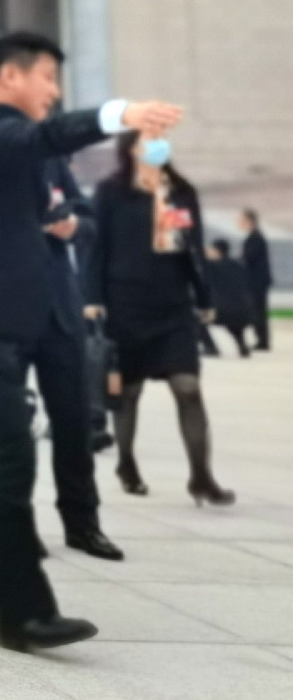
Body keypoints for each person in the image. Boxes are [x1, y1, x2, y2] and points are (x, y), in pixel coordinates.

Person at [0, 30, 180, 652]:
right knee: (9, 458)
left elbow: (50, 192)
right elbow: (44, 137)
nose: (54, 93)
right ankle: (25, 615)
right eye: (48, 78)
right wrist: (121, 114)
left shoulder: (9, 148)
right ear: (10, 76)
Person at [86, 132, 234, 507]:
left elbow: (194, 247)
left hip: (173, 304)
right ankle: (126, 463)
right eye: (150, 140)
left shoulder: (182, 191)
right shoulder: (111, 192)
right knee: (128, 392)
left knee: (188, 387)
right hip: (125, 303)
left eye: (161, 139)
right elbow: (95, 247)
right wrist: (91, 297)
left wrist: (205, 296)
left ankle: (201, 477)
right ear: (132, 149)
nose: (158, 145)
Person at [29, 149, 123, 561]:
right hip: (1, 309)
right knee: (9, 428)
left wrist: (74, 226)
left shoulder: (51, 162)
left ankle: (83, 524)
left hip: (59, 310)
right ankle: (16, 525)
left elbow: (88, 217)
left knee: (74, 420)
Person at [205, 239, 255, 357]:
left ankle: (211, 347)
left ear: (217, 251)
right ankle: (242, 345)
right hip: (242, 309)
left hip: (221, 310)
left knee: (196, 320)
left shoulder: (212, 267)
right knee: (235, 326)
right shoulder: (238, 265)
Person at [239, 208, 273, 353]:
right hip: (255, 280)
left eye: (242, 220)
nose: (239, 223)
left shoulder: (256, 239)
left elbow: (249, 258)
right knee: (256, 310)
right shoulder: (253, 238)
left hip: (257, 281)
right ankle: (261, 339)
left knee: (258, 310)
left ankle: (263, 341)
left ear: (250, 221)